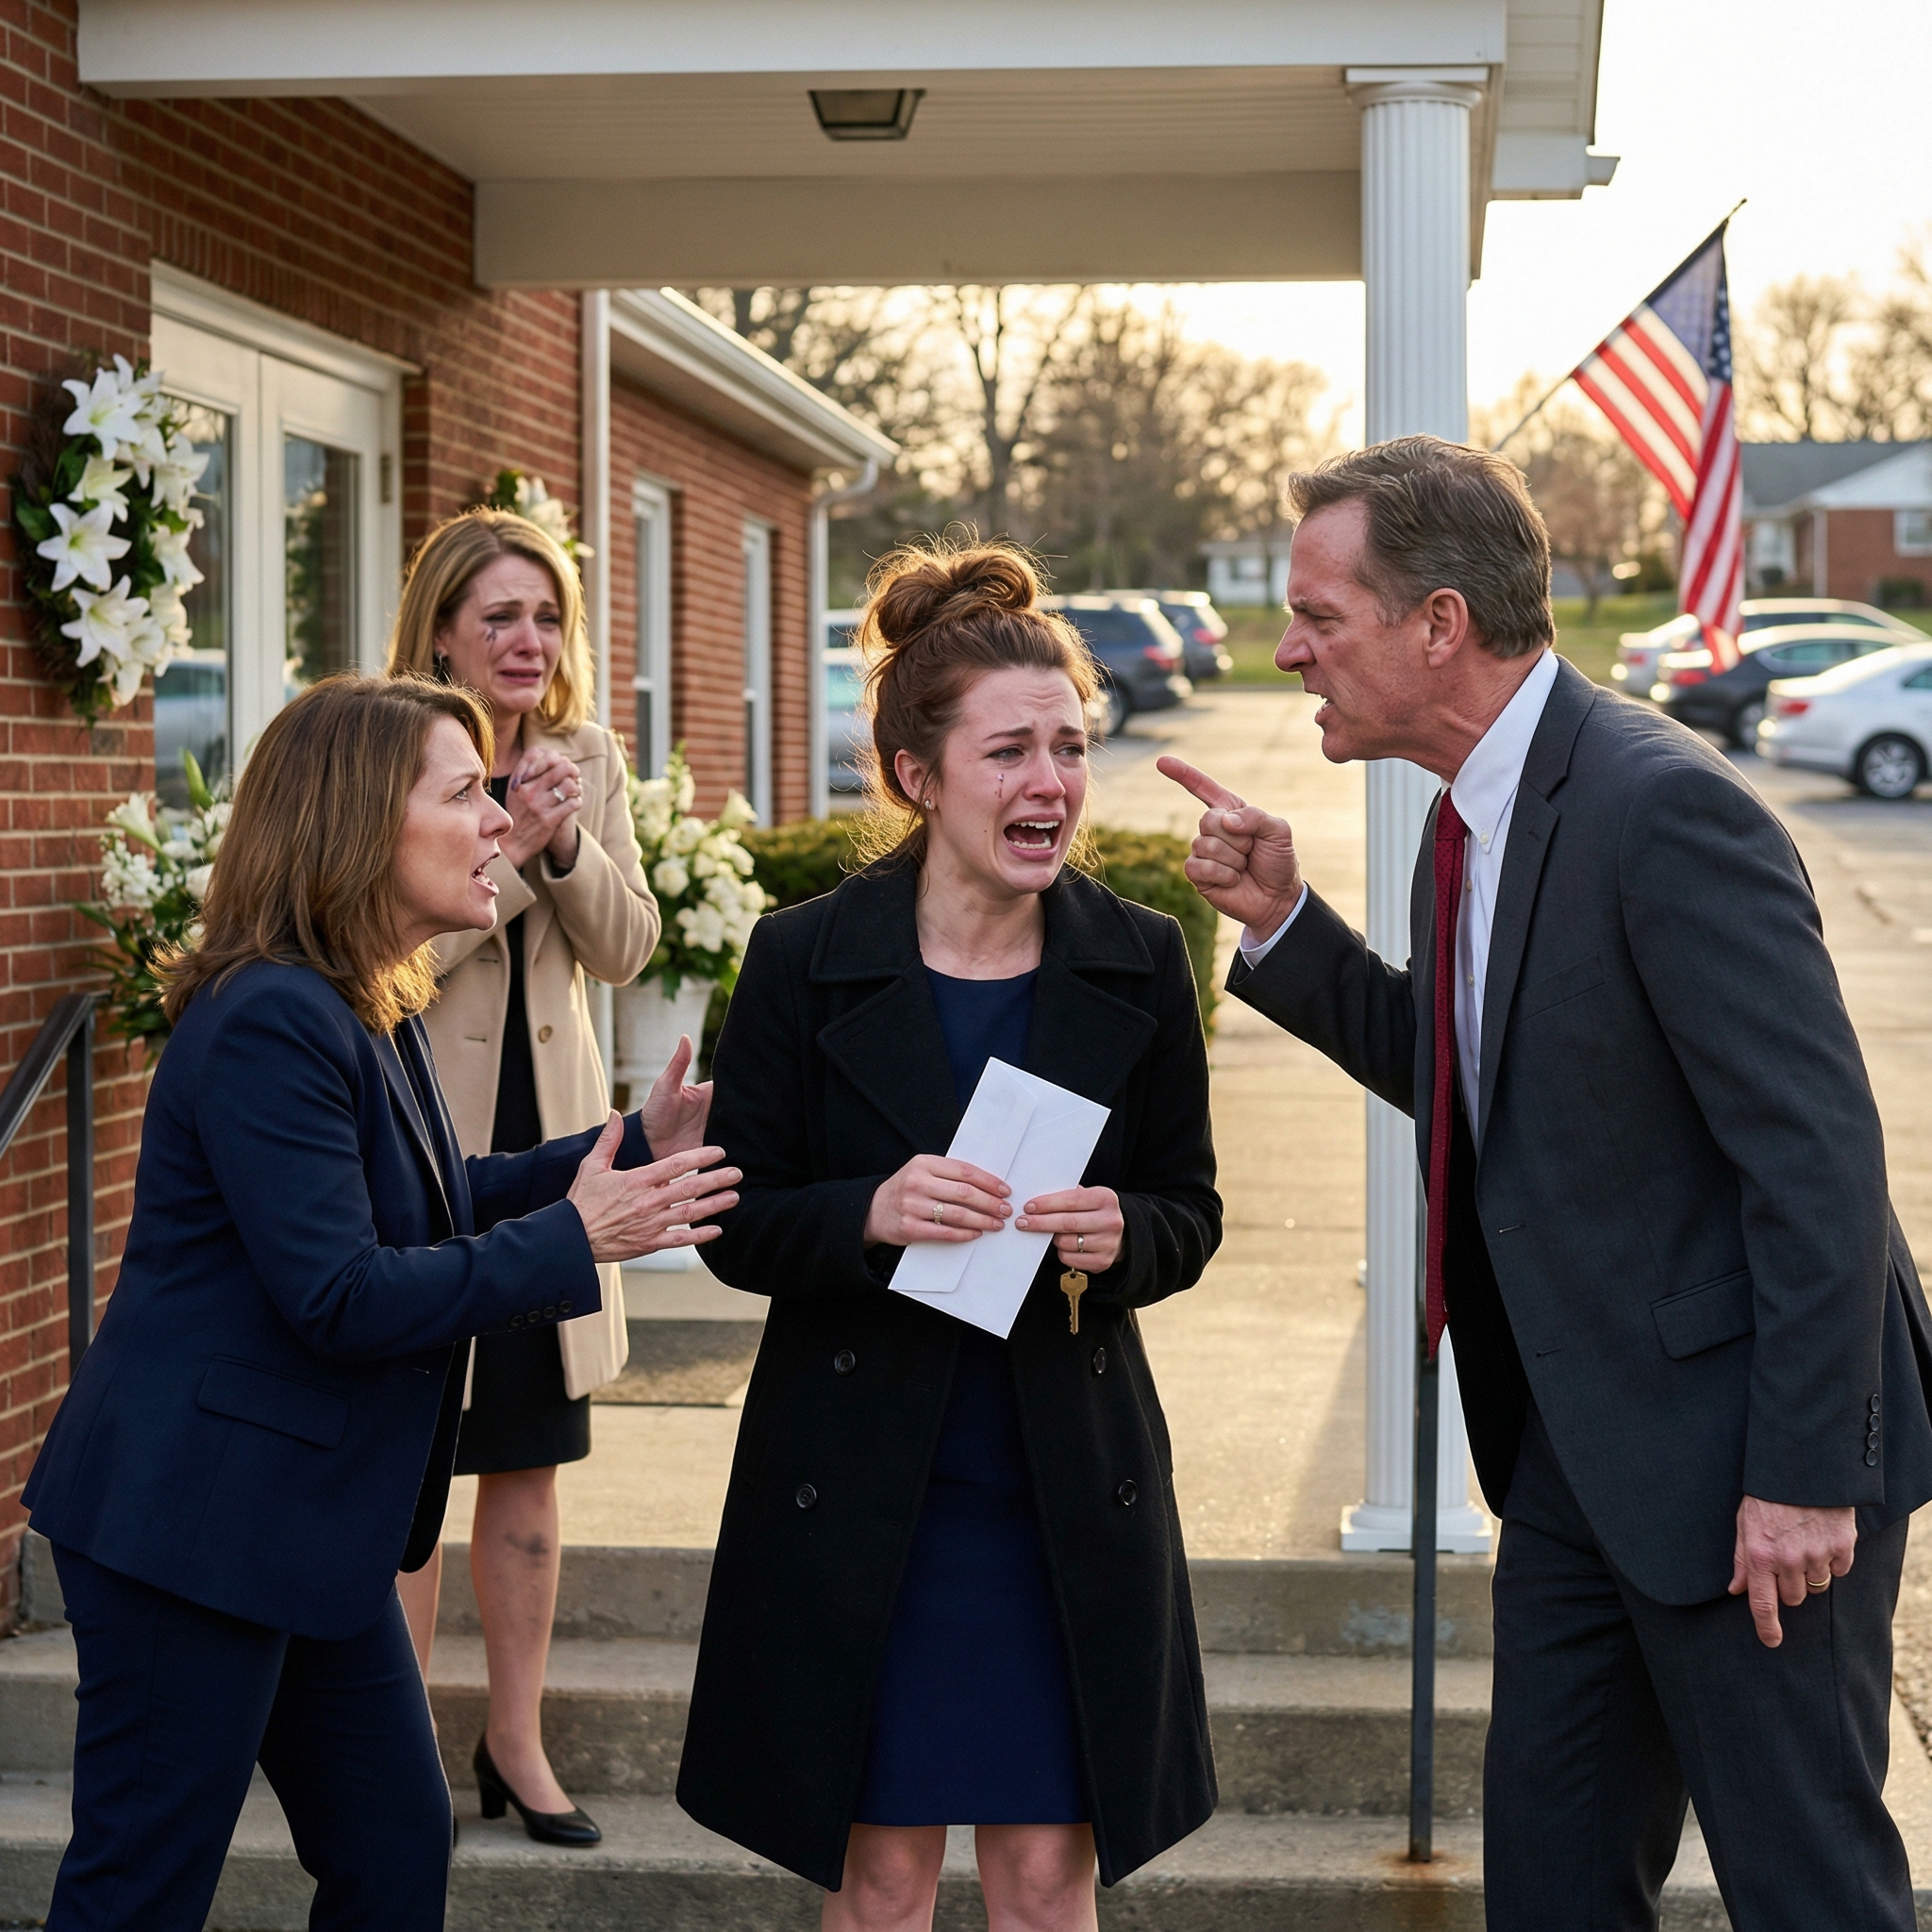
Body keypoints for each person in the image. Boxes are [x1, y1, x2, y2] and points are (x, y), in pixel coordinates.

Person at [1161, 436, 1932, 1931]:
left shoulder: (1665, 812)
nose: (1288, 646)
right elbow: (1474, 1081)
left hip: (1747, 1468)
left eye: (1320, 614)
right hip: (1576, 1464)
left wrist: (1801, 1473)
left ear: (1437, 623)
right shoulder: (1465, 821)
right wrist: (1284, 925)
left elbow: (1819, 1162)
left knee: (1810, 1891)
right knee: (1558, 1888)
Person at [22, 675, 739, 1932]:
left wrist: (626, 1143)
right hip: (194, 1527)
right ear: (361, 821)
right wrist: (576, 1239)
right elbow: (340, 1295)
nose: (503, 822)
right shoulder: (268, 1018)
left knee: (396, 1851)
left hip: (309, 1530)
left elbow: (433, 1192)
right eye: (468, 794)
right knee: (141, 1888)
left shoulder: (368, 997)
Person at [675, 541, 1222, 1932]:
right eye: (1010, 752)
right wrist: (867, 1211)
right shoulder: (804, 957)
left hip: (1061, 1492)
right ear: (918, 776)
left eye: (1070, 749)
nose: (1051, 784)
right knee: (882, 1881)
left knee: (1049, 1882)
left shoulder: (1142, 956)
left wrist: (1124, 1233)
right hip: (866, 1498)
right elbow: (737, 1222)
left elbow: (1189, 1209)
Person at [383, 508, 660, 1845]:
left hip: (552, 1150)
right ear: (442, 627)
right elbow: (368, 962)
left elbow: (625, 948)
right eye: (499, 616)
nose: (527, 639)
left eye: (545, 616)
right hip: (425, 1141)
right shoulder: (392, 751)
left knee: (529, 1475)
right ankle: (391, 1752)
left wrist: (561, 844)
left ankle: (517, 1743)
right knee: (409, 1482)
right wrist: (489, 853)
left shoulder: (588, 757)